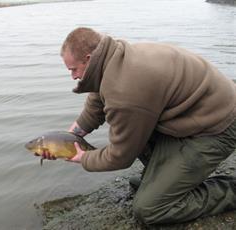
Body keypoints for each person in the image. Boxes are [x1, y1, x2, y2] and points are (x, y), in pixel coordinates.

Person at [44, 27, 236, 224]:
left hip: (219, 125)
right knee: (132, 140)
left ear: (89, 58)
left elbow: (121, 156)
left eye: (73, 69)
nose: (73, 77)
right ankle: (163, 180)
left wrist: (83, 158)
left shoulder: (125, 91)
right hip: (195, 113)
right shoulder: (113, 58)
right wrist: (65, 139)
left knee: (149, 209)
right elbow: (95, 107)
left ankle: (230, 191)